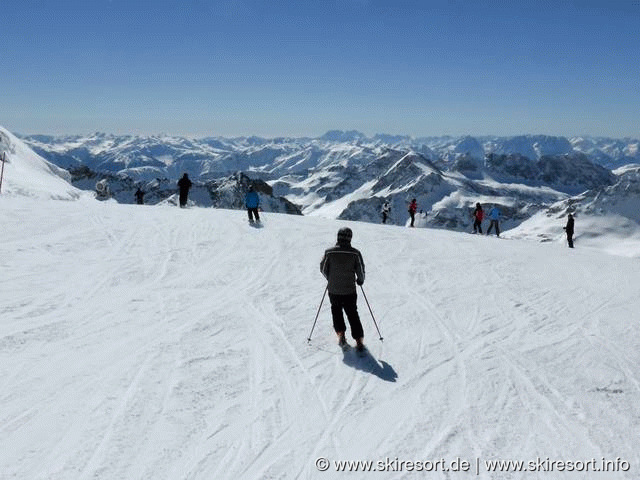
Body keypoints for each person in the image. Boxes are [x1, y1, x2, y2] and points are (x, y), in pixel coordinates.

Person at [320, 227, 366, 352]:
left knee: (336, 311)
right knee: (352, 313)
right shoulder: (355, 253)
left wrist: (331, 278)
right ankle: (359, 340)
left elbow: (323, 269)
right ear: (350, 238)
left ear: (338, 237)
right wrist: (360, 280)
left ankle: (341, 335)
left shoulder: (329, 252)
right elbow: (360, 270)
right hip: (349, 290)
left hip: (334, 290)